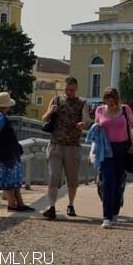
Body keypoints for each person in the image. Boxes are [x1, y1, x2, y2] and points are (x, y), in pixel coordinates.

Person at [41, 76, 90, 220]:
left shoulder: (82, 103)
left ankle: (70, 204)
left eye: (72, 90)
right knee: (53, 175)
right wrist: (51, 111)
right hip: (56, 144)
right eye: (67, 89)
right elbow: (44, 119)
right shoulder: (56, 100)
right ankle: (52, 207)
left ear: (76, 89)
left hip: (72, 146)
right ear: (64, 88)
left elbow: (87, 119)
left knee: (72, 179)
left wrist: (84, 123)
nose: (69, 92)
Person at [94, 87, 133, 228]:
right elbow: (96, 128)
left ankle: (114, 211)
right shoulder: (100, 110)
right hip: (106, 149)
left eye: (112, 101)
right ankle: (106, 217)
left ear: (117, 100)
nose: (110, 104)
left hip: (122, 148)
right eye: (107, 101)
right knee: (107, 181)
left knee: (119, 181)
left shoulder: (125, 109)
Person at [0, 92, 34, 212]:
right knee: (9, 179)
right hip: (5, 153)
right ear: (6, 106)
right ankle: (12, 204)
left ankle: (19, 203)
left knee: (13, 179)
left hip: (8, 152)